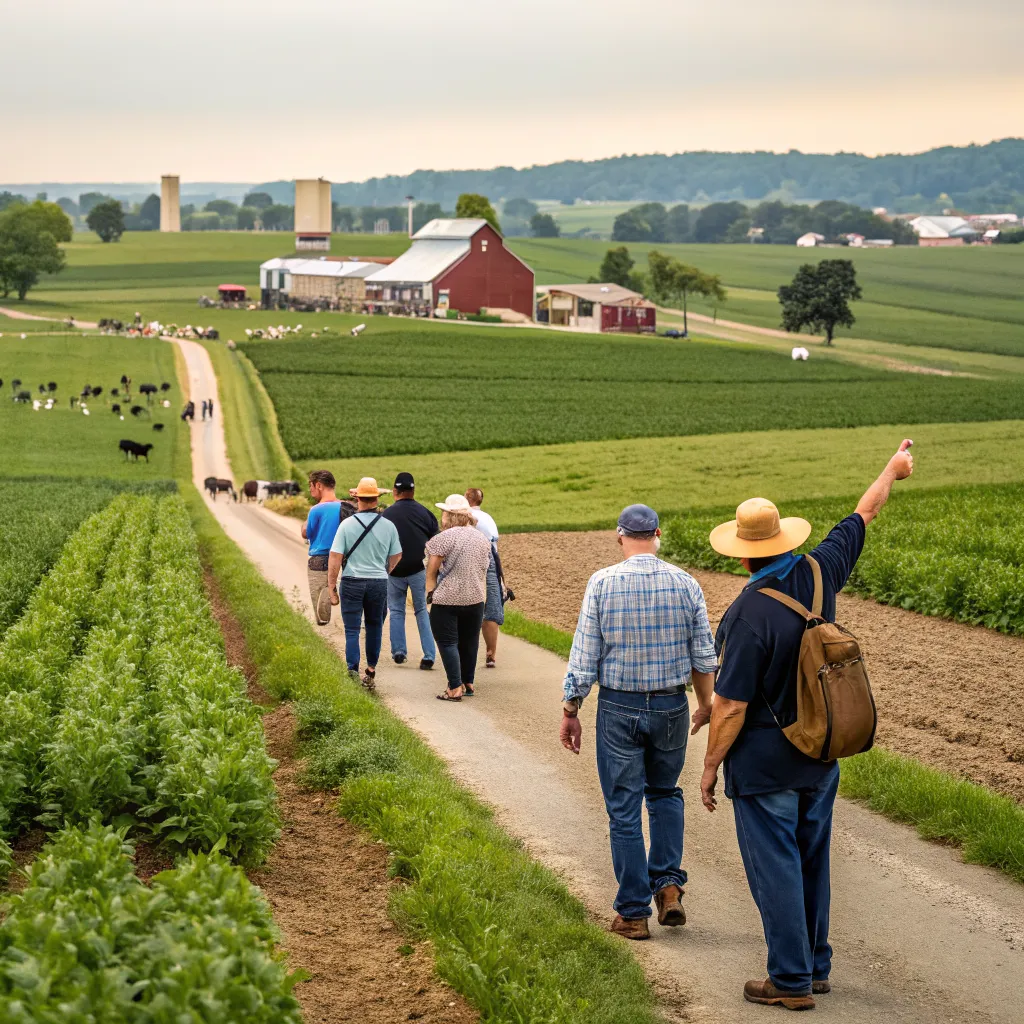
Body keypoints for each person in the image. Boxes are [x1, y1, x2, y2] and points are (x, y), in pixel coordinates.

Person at [700, 440, 914, 1011]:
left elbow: (730, 706)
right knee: (813, 859)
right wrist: (893, 467)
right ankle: (816, 966)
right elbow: (864, 512)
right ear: (786, 542)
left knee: (775, 866)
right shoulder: (822, 569)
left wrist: (710, 766)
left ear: (743, 557)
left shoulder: (746, 614)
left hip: (764, 765)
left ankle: (790, 980)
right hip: (820, 753)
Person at [560, 504, 717, 940]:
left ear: (620, 536)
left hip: (618, 706)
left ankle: (633, 913)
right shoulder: (686, 583)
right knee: (665, 793)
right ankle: (667, 886)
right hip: (671, 705)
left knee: (624, 809)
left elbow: (585, 655)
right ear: (658, 534)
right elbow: (704, 655)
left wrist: (571, 709)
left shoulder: (603, 583)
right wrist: (705, 705)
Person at [327, 477, 402, 691]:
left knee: (352, 629)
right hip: (378, 582)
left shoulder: (346, 525)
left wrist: (332, 588)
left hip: (351, 580)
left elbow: (335, 557)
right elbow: (397, 555)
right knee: (374, 626)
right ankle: (370, 670)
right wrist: (385, 570)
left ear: (357, 498)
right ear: (376, 499)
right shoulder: (388, 526)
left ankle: (352, 670)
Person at [425, 495, 492, 702]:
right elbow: (484, 568)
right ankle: (468, 682)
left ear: (449, 515)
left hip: (447, 598)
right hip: (476, 597)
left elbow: (431, 571)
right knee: (470, 641)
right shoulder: (481, 538)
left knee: (447, 641)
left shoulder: (444, 538)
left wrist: (430, 594)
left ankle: (454, 687)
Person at [382, 472, 438, 670]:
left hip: (393, 570)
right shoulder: (425, 513)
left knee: (396, 610)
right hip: (418, 569)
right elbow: (436, 541)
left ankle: (399, 651)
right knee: (421, 610)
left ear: (394, 491)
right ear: (413, 491)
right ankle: (429, 655)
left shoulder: (386, 515)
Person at [465, 487, 502, 668]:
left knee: (469, 606)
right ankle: (491, 653)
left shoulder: (465, 516)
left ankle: (466, 651)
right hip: (493, 562)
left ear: (467, 498)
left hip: (473, 561)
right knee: (491, 608)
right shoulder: (489, 518)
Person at [301, 470, 343, 625]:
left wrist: (304, 523)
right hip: (344, 556)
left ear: (318, 485)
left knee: (319, 605)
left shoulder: (316, 509)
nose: (310, 490)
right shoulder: (344, 507)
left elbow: (306, 533)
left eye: (311, 486)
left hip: (320, 557)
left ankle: (323, 626)